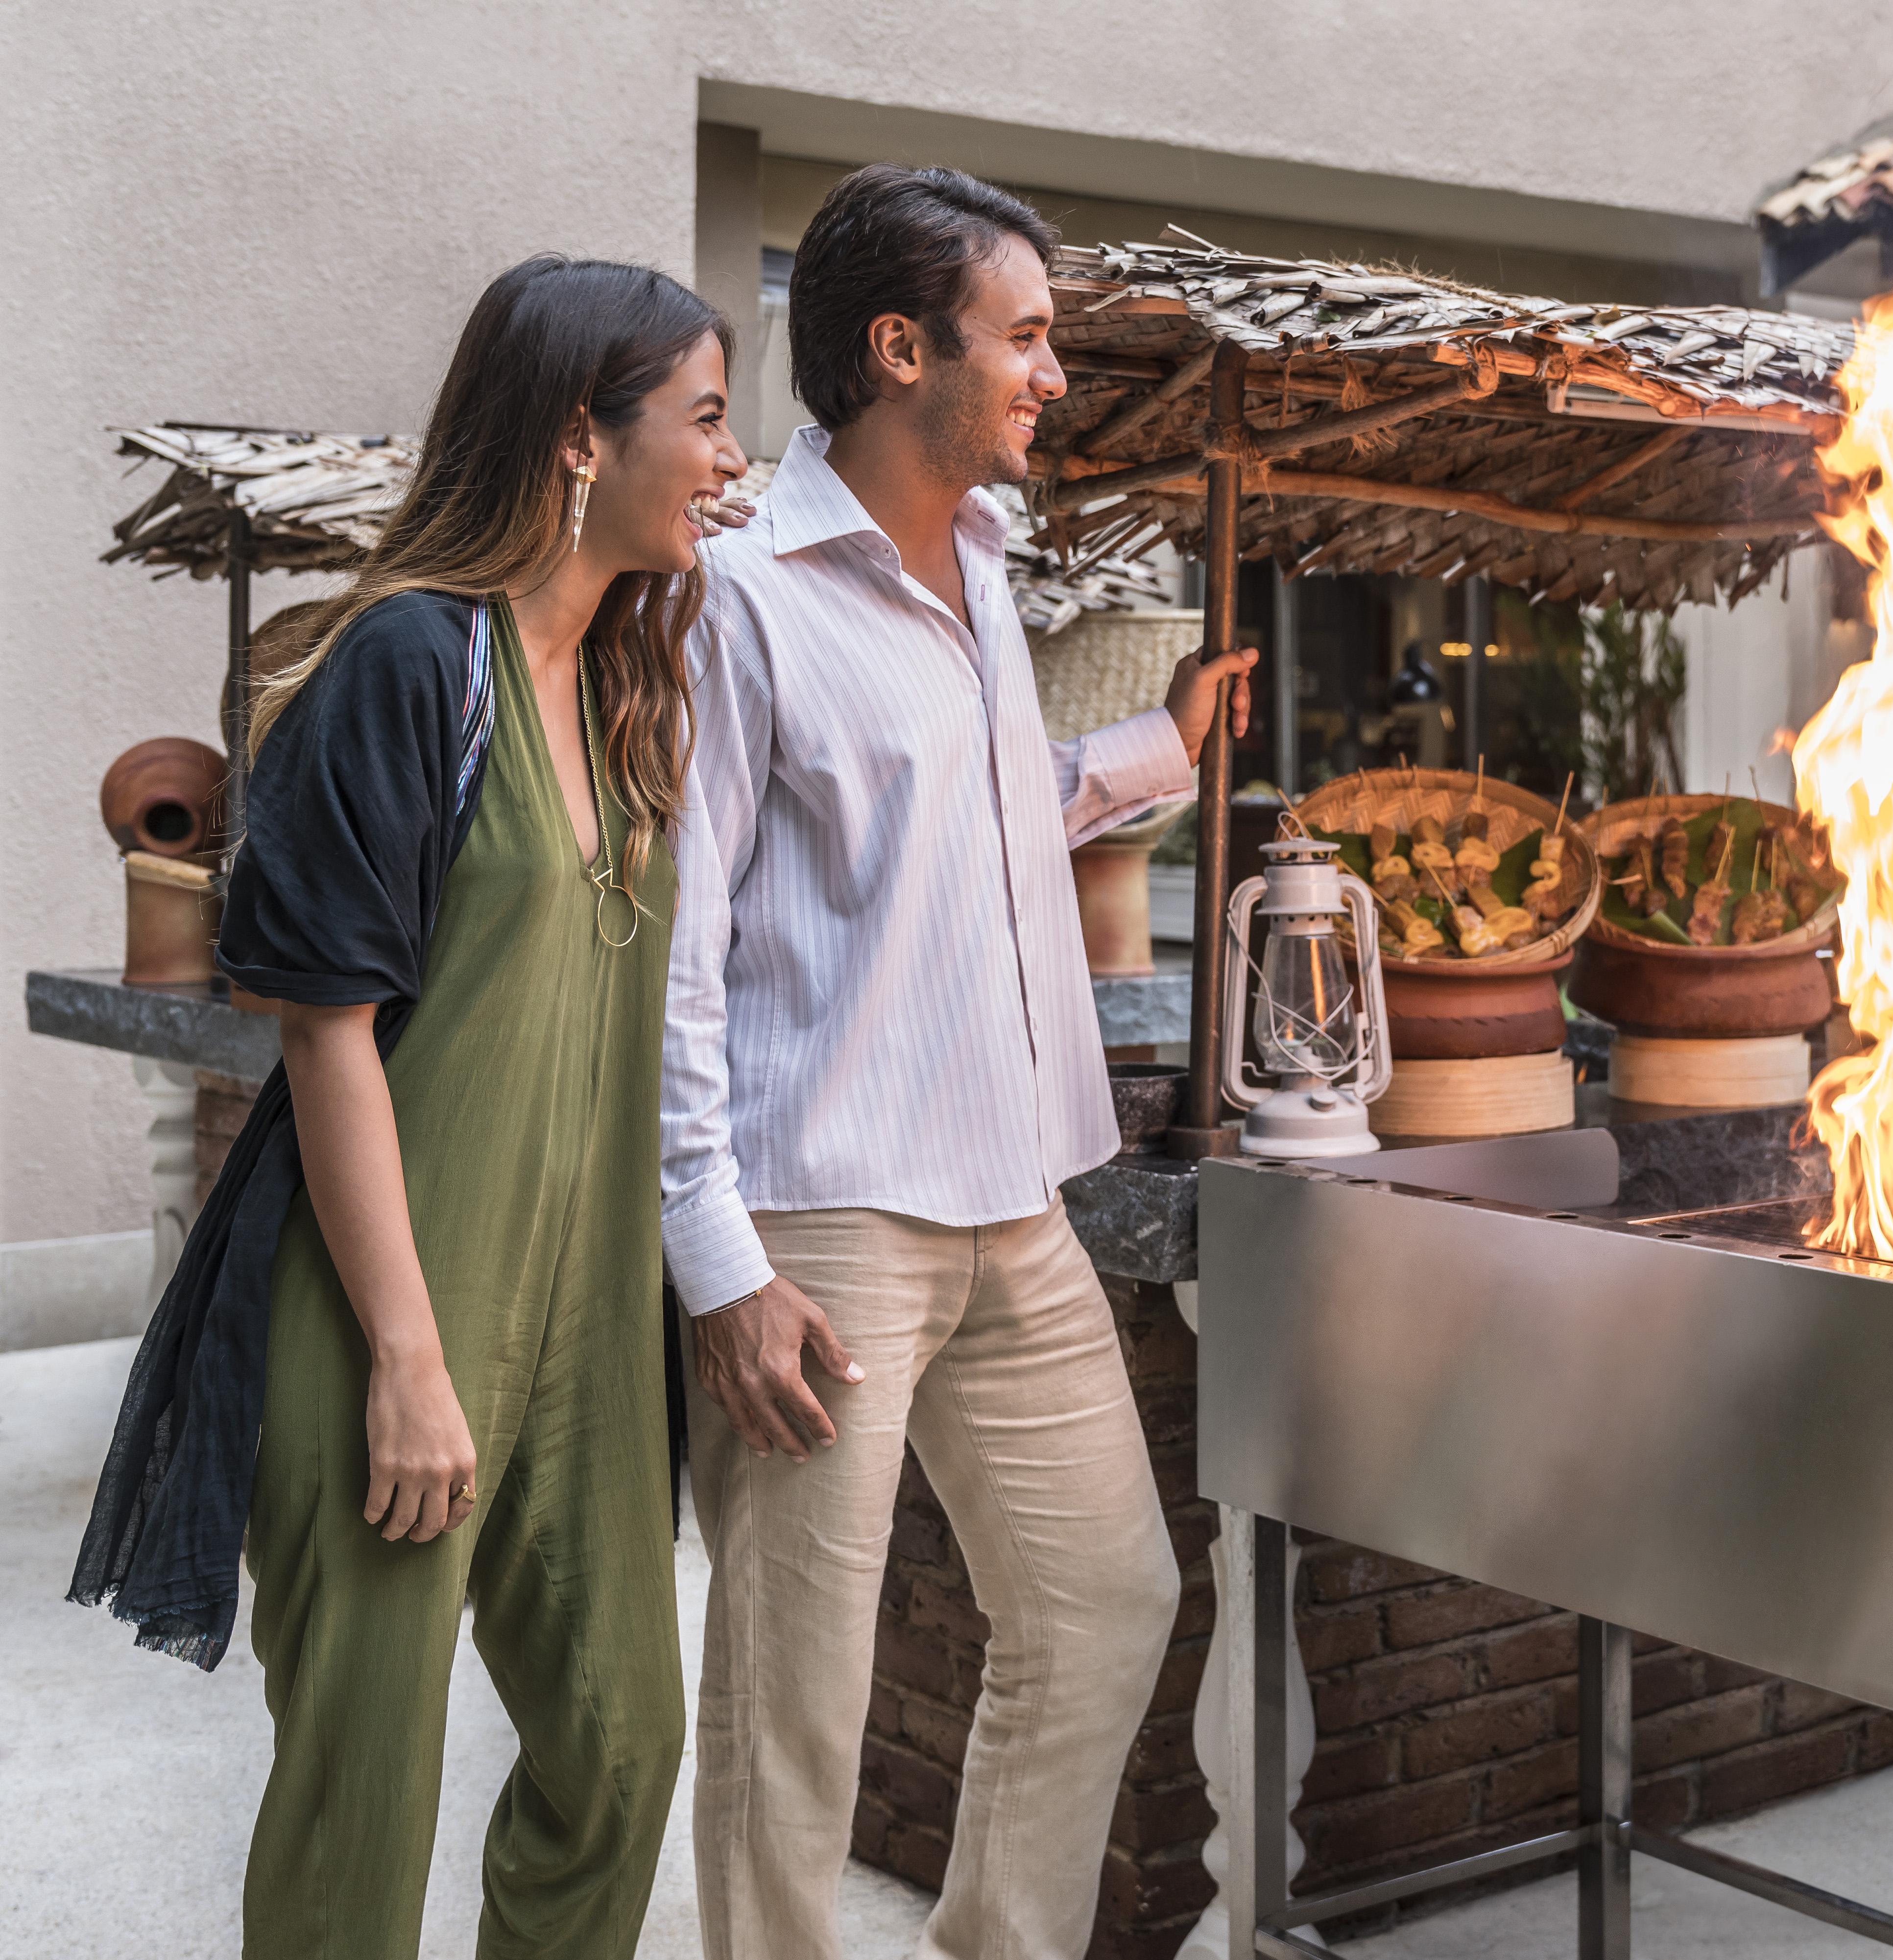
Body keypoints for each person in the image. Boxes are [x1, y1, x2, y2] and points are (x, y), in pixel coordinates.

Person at [70, 256, 748, 1957]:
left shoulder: (626, 685)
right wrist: (409, 1361)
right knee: (358, 1817)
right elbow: (326, 1035)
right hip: (389, 1331)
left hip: (589, 1343)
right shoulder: (403, 666)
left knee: (621, 1754)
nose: (733, 459)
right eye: (710, 418)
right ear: (580, 442)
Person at [661, 164, 1254, 1960]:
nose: (1053, 373)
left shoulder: (984, 570)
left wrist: (1156, 749)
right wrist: (720, 1264)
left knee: (1108, 1604)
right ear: (899, 349)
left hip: (1018, 1190)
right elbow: (674, 961)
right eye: (1027, 335)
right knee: (796, 1707)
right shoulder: (743, 604)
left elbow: (979, 814)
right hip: (822, 1218)